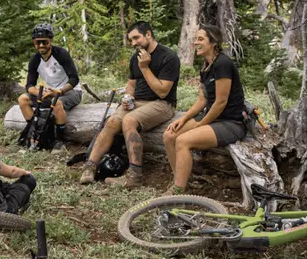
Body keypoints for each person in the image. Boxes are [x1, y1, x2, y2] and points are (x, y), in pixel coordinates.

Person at [78, 21, 179, 189]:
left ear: (148, 34)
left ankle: (134, 176)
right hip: (137, 103)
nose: (133, 43)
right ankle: (90, 166)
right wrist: (127, 97)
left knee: (129, 121)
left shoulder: (169, 57)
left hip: (161, 104)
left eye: (136, 38)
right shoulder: (137, 56)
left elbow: (163, 91)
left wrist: (145, 68)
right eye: (130, 40)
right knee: (111, 122)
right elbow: (131, 84)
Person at [161, 24, 246, 197]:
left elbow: (221, 102)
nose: (195, 42)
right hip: (212, 117)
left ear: (213, 42)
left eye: (200, 39)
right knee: (169, 135)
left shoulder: (222, 63)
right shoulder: (206, 65)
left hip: (230, 122)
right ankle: (181, 179)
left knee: (183, 141)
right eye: (195, 39)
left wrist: (201, 124)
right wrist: (184, 119)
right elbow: (203, 100)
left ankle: (178, 191)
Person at [18, 23, 80, 138]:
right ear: (34, 43)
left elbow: (74, 79)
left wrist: (59, 92)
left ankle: (59, 140)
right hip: (49, 93)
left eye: (45, 42)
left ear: (50, 41)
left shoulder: (61, 54)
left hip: (72, 92)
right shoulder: (35, 60)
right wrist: (39, 93)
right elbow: (29, 85)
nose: (41, 45)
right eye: (38, 42)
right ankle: (35, 132)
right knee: (22, 99)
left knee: (56, 102)